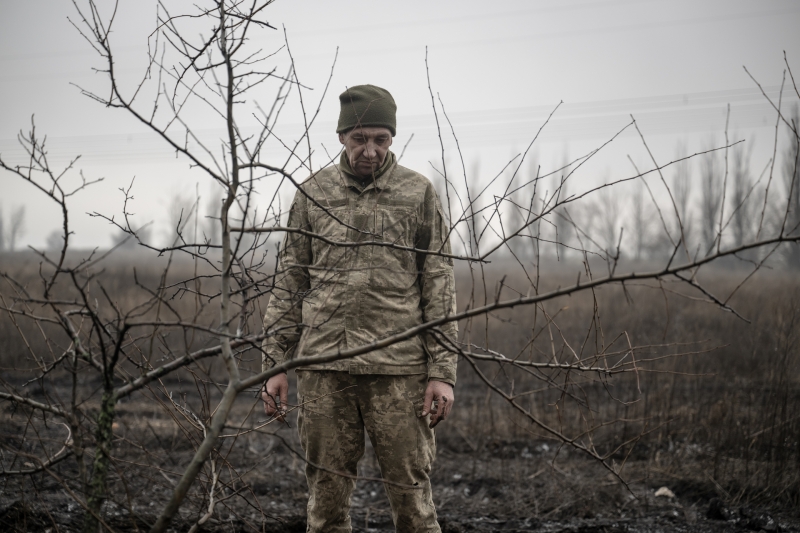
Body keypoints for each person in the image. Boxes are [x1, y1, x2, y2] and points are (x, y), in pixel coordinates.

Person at [261, 84, 458, 532]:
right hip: (324, 367)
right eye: (359, 139)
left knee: (413, 503)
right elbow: (290, 280)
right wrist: (275, 364)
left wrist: (442, 372)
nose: (370, 151)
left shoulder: (418, 192)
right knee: (325, 505)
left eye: (380, 139)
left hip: (399, 372)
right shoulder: (312, 193)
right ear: (342, 137)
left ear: (392, 138)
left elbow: (439, 282)